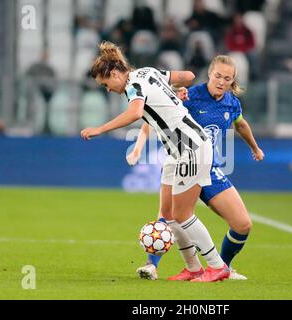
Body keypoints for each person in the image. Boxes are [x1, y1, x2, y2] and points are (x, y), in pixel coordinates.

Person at [81, 41, 231, 282]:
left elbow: (135, 113)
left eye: (105, 84)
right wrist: (174, 94)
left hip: (189, 147)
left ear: (116, 74)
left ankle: (217, 266)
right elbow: (189, 76)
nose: (107, 89)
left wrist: (101, 128)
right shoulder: (148, 72)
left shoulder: (134, 84)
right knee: (169, 214)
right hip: (178, 150)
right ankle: (193, 268)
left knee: (183, 213)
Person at [129, 55, 264, 281]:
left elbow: (240, 124)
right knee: (167, 216)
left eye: (227, 78)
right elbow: (152, 119)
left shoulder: (232, 103)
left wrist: (255, 147)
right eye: (218, 76)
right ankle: (152, 266)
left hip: (209, 167)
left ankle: (222, 268)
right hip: (182, 161)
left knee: (242, 225)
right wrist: (137, 148)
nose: (221, 81)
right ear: (210, 73)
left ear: (233, 81)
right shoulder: (189, 95)